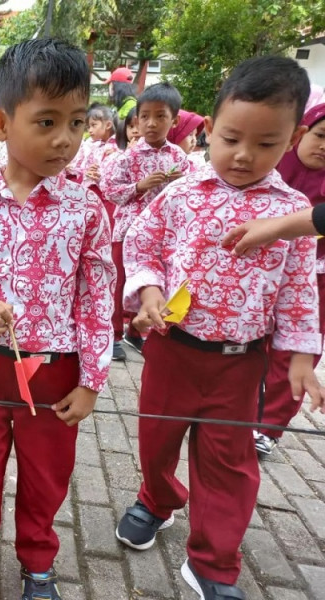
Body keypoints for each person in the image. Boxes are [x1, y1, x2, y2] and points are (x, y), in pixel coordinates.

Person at [116, 55, 322, 600]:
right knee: (157, 439)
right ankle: (156, 500)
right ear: (208, 127)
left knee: (229, 461)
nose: (244, 155)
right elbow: (143, 244)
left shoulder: (293, 210)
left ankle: (213, 560)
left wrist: (301, 355)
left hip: (241, 359)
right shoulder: (182, 193)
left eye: (266, 143)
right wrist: (150, 289)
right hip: (173, 349)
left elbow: (301, 289)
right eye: (231, 138)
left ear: (293, 138)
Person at [0, 39, 115, 600]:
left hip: (55, 373)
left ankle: (38, 564)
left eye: (78, 122)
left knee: (46, 478)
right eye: (47, 121)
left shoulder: (86, 209)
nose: (65, 139)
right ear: (0, 122)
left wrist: (91, 382)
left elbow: (97, 296)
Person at [230, 103, 325, 456]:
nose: (324, 147)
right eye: (321, 135)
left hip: (316, 278)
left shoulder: (295, 199)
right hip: (255, 278)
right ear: (300, 135)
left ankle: (269, 427)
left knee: (297, 353)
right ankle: (242, 414)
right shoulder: (263, 174)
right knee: (257, 351)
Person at [100, 82, 189, 355]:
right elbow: (110, 190)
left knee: (156, 281)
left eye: (160, 116)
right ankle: (113, 336)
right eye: (145, 116)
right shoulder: (127, 156)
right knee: (118, 283)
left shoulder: (179, 157)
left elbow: (189, 195)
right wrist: (140, 186)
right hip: (127, 232)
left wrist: (179, 183)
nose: (152, 123)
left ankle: (137, 330)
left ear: (173, 120)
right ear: (136, 120)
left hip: (164, 236)